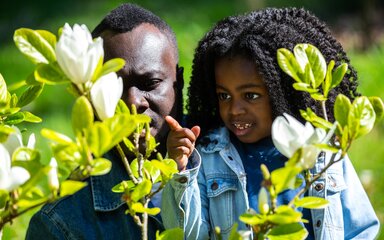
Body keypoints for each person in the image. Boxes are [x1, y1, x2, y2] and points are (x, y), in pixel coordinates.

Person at [162, 7, 380, 240]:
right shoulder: (208, 157)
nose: (234, 109)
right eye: (224, 96)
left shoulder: (323, 150)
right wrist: (182, 170)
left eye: (251, 96)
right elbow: (188, 234)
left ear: (282, 93)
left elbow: (361, 229)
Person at [26, 3, 186, 239]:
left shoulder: (232, 159)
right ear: (88, 97)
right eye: (113, 87)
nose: (133, 103)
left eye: (150, 83)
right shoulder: (60, 225)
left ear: (178, 82)